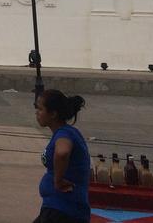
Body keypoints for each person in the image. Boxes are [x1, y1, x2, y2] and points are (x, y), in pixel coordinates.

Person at [33, 89, 91, 223]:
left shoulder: (64, 134)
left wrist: (58, 181)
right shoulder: (67, 132)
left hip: (62, 210)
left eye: (40, 109)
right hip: (58, 208)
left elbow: (62, 152)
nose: (37, 113)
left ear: (53, 114)